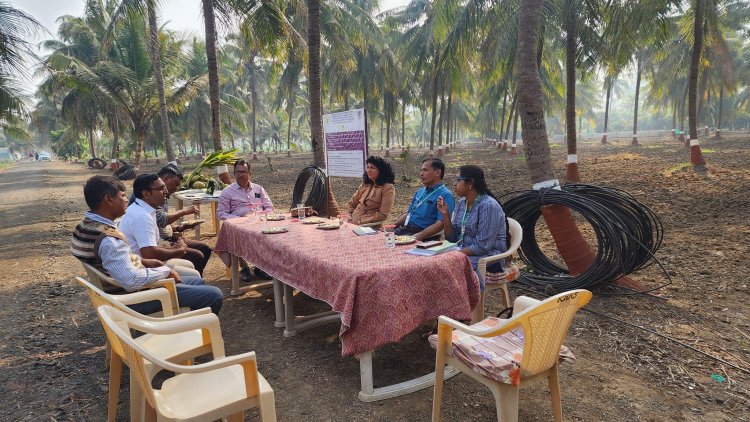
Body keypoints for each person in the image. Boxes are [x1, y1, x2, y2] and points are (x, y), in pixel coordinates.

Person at [70, 175, 222, 314]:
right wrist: (164, 271)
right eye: (122, 196)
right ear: (108, 200)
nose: (125, 200)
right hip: (130, 299)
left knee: (197, 281)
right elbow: (131, 281)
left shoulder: (84, 227)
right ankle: (188, 334)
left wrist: (144, 261)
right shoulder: (107, 238)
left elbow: (114, 258)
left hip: (115, 290)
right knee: (214, 295)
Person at [128, 165, 213, 275]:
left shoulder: (149, 205)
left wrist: (178, 228)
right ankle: (193, 284)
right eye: (176, 184)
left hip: (162, 241)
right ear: (165, 179)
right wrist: (179, 250)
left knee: (204, 249)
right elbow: (149, 252)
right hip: (152, 259)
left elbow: (156, 226)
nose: (165, 191)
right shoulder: (142, 212)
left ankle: (195, 282)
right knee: (197, 255)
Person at [436, 165, 507, 290]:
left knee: (446, 268)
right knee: (435, 265)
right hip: (464, 252)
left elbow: (483, 246)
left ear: (470, 183)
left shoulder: (488, 206)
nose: (454, 184)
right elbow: (453, 239)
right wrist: (445, 214)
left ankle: (461, 306)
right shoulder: (461, 203)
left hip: (489, 257)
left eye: (458, 180)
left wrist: (454, 253)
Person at [119, 174, 200, 277]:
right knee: (195, 275)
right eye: (161, 188)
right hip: (143, 269)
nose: (166, 192)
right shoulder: (142, 216)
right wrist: (179, 250)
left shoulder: (142, 209)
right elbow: (149, 255)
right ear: (146, 193)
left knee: (189, 265)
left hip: (142, 263)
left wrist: (172, 248)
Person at [216, 159, 274, 281]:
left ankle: (261, 267)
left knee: (272, 236)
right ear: (234, 173)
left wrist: (262, 216)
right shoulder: (228, 192)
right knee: (237, 235)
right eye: (238, 172)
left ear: (249, 173)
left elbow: (269, 207)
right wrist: (239, 220)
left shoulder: (258, 189)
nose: (241, 174)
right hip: (239, 225)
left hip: (260, 222)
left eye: (244, 172)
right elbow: (221, 213)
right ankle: (244, 268)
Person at [393, 158, 454, 241]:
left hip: (423, 235)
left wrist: (417, 236)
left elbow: (441, 224)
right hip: (406, 229)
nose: (421, 174)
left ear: (437, 172)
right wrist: (392, 226)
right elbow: (408, 213)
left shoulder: (445, 194)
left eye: (425, 170)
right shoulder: (420, 191)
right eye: (421, 170)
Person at [344, 156, 396, 225]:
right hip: (351, 222)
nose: (369, 170)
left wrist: (360, 222)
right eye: (367, 167)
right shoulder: (365, 184)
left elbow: (382, 215)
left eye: (372, 168)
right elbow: (351, 203)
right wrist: (349, 215)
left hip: (369, 227)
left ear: (381, 171)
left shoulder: (387, 188)